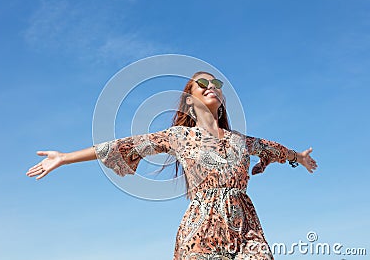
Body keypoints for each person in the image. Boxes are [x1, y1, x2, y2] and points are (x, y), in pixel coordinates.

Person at [27, 71, 317, 260]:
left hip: (247, 228)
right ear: (190, 103)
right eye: (201, 85)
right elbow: (122, 146)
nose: (211, 87)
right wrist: (64, 157)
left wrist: (299, 158)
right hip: (202, 229)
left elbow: (276, 150)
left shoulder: (241, 141)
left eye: (214, 84)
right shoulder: (179, 137)